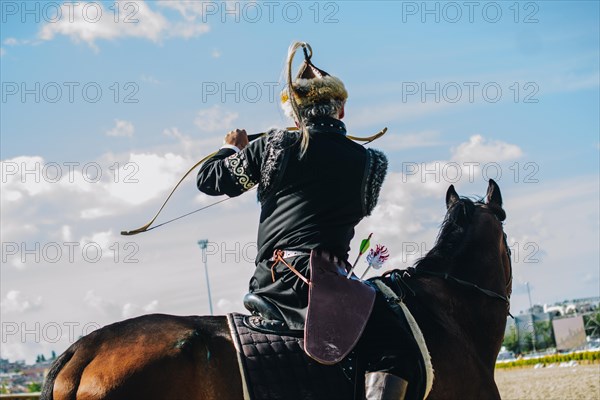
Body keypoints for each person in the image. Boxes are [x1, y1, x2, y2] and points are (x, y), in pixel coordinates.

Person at [197, 41, 416, 399]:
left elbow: (209, 179)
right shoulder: (370, 163)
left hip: (275, 278)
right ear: (341, 110)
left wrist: (232, 148)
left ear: (294, 114)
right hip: (330, 281)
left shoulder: (274, 146)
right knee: (397, 345)